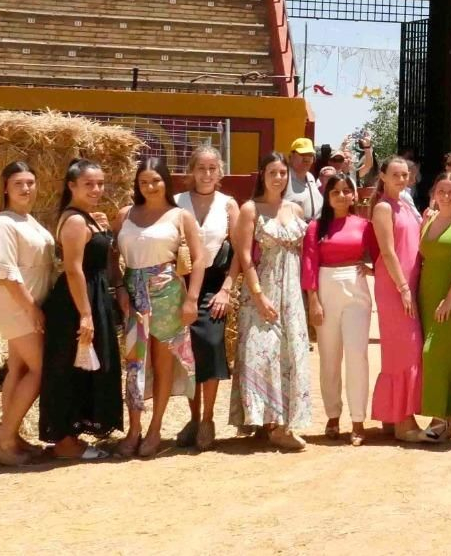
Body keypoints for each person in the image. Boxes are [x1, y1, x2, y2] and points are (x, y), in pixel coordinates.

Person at [118, 157, 208, 457]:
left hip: (167, 294)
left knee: (162, 363)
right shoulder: (125, 214)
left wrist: (192, 299)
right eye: (143, 182)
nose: (150, 187)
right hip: (134, 294)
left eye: (155, 180)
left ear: (165, 181)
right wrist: (119, 287)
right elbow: (110, 255)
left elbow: (199, 259)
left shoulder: (180, 216)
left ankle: (155, 429)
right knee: (134, 364)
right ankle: (134, 429)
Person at [39, 158, 121, 461]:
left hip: (92, 296)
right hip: (77, 302)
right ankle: (64, 442)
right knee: (68, 369)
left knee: (86, 368)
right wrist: (86, 315)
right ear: (72, 185)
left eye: (100, 183)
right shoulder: (74, 221)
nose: (96, 189)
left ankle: (73, 437)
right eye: (89, 184)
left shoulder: (87, 217)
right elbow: (73, 270)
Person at [231, 152, 312, 451]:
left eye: (282, 173)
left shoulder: (296, 209)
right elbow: (244, 255)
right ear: (262, 175)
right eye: (272, 172)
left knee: (288, 354)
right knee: (260, 353)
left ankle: (277, 424)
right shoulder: (250, 209)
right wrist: (258, 295)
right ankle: (268, 421)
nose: (278, 178)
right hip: (261, 289)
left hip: (291, 293)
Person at [0, 161, 53, 466]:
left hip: (25, 304)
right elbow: (5, 272)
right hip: (16, 306)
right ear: (6, 188)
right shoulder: (3, 224)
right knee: (41, 369)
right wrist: (31, 308)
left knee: (19, 370)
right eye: (18, 184)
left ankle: (10, 437)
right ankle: (5, 437)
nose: (25, 188)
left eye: (30, 183)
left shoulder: (28, 220)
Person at [174, 145, 239, 450]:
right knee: (189, 353)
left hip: (213, 284)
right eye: (201, 167)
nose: (207, 174)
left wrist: (226, 289)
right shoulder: (177, 203)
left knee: (211, 345)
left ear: (220, 172)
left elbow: (239, 251)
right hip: (181, 283)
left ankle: (208, 419)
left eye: (212, 168)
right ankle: (193, 417)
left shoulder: (228, 205)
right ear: (191, 170)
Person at [302, 172, 373, 445]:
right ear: (327, 197)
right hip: (326, 289)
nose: (342, 196)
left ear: (354, 195)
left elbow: (382, 254)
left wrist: (373, 269)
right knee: (329, 358)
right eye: (335, 192)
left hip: (356, 289)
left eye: (346, 191)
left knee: (357, 356)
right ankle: (333, 415)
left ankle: (358, 420)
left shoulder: (364, 225)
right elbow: (309, 264)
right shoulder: (315, 227)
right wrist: (313, 300)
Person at [369, 155, 432, 444]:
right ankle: (404, 423)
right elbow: (388, 251)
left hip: (407, 284)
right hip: (395, 287)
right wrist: (404, 288)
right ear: (382, 176)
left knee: (400, 351)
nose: (401, 179)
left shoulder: (405, 204)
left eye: (405, 174)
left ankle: (391, 416)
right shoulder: (383, 207)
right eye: (395, 174)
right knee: (406, 351)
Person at [419, 172, 451, 439]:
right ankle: (449, 419)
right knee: (439, 355)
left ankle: (439, 418)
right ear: (434, 193)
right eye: (442, 191)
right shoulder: (429, 218)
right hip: (427, 294)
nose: (447, 196)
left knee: (435, 353)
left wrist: (450, 299)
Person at [283, 137, 324, 222]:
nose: (307, 158)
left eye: (310, 155)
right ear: (291, 156)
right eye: (303, 154)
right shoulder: (283, 178)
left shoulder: (310, 177)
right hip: (293, 227)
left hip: (315, 227)